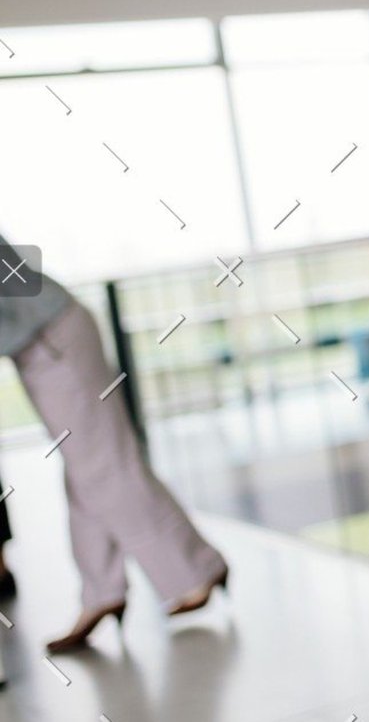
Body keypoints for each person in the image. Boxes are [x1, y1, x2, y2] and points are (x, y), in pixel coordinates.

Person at [0, 234, 230, 653]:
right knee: (87, 470)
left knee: (103, 467)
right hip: (42, 345)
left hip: (52, 341)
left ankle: (198, 569)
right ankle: (102, 594)